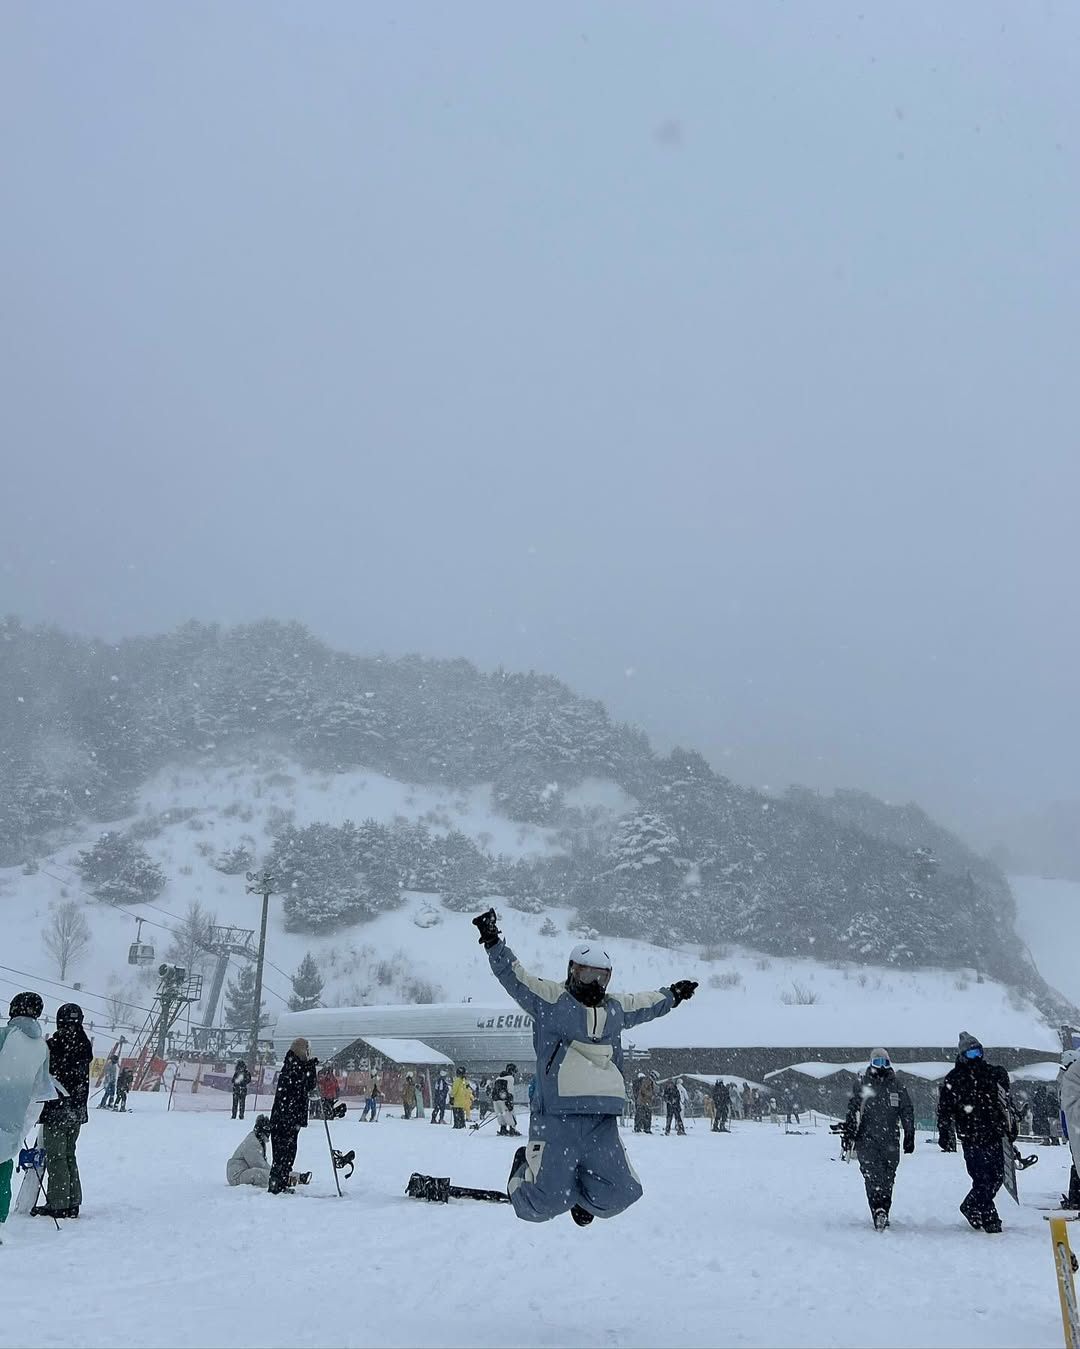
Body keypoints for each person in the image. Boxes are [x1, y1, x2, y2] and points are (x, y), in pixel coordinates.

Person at [473, 907, 697, 1226]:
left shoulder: (615, 1010)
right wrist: (493, 941)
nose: (594, 983)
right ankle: (522, 1171)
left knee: (622, 1193)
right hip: (556, 1117)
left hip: (602, 1118)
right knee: (544, 1203)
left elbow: (646, 1003)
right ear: (572, 971)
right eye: (587, 975)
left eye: (601, 977)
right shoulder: (552, 1000)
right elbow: (516, 978)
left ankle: (582, 1198)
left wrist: (673, 995)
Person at [937, 1031, 1013, 1233]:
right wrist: (944, 1131)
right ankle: (989, 1216)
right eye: (971, 1053)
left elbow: (1004, 1103)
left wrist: (1009, 1126)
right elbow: (945, 1109)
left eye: (978, 1052)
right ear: (962, 1055)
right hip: (971, 1134)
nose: (976, 1057)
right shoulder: (955, 1078)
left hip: (993, 1131)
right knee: (981, 1177)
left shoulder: (991, 1073)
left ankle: (971, 1204)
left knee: (997, 1176)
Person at [841, 1048, 914, 1231]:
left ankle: (884, 1208)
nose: (881, 1066)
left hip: (890, 1139)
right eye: (877, 1062)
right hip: (867, 1138)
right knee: (872, 1175)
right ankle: (877, 1209)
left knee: (888, 1177)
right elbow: (853, 1109)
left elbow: (906, 1109)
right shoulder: (862, 1084)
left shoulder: (897, 1085)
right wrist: (850, 1132)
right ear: (871, 1063)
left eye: (884, 1062)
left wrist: (909, 1132)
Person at [0, 993, 53, 1234]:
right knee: (3, 1171)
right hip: (12, 1125)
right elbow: (39, 1096)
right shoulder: (41, 1048)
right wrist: (21, 1129)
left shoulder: (4, 1036)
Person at [34, 1003, 92, 1220]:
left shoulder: (54, 1045)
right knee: (69, 1154)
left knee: (56, 1157)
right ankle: (72, 1202)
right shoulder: (84, 1044)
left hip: (57, 1110)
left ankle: (58, 1203)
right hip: (77, 1111)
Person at [268, 1037, 317, 1194]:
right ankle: (276, 1186)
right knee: (281, 1155)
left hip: (291, 1118)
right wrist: (308, 1068)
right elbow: (300, 1085)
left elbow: (310, 1085)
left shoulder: (298, 1066)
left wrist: (310, 1068)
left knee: (289, 1154)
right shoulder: (291, 1066)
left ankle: (282, 1183)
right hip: (284, 1118)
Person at [1058, 1049, 1080, 1209]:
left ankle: (1075, 1198)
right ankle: (1076, 1198)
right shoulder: (1071, 1076)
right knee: (1075, 1164)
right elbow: (1068, 1108)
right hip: (1073, 1127)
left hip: (1072, 1126)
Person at [492, 1063, 521, 1137]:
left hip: (496, 1100)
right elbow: (510, 1090)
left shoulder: (498, 1078)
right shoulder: (510, 1078)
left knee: (500, 1114)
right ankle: (512, 1129)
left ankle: (503, 1129)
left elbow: (494, 1090)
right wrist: (510, 1101)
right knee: (510, 1114)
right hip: (505, 1099)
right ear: (512, 1071)